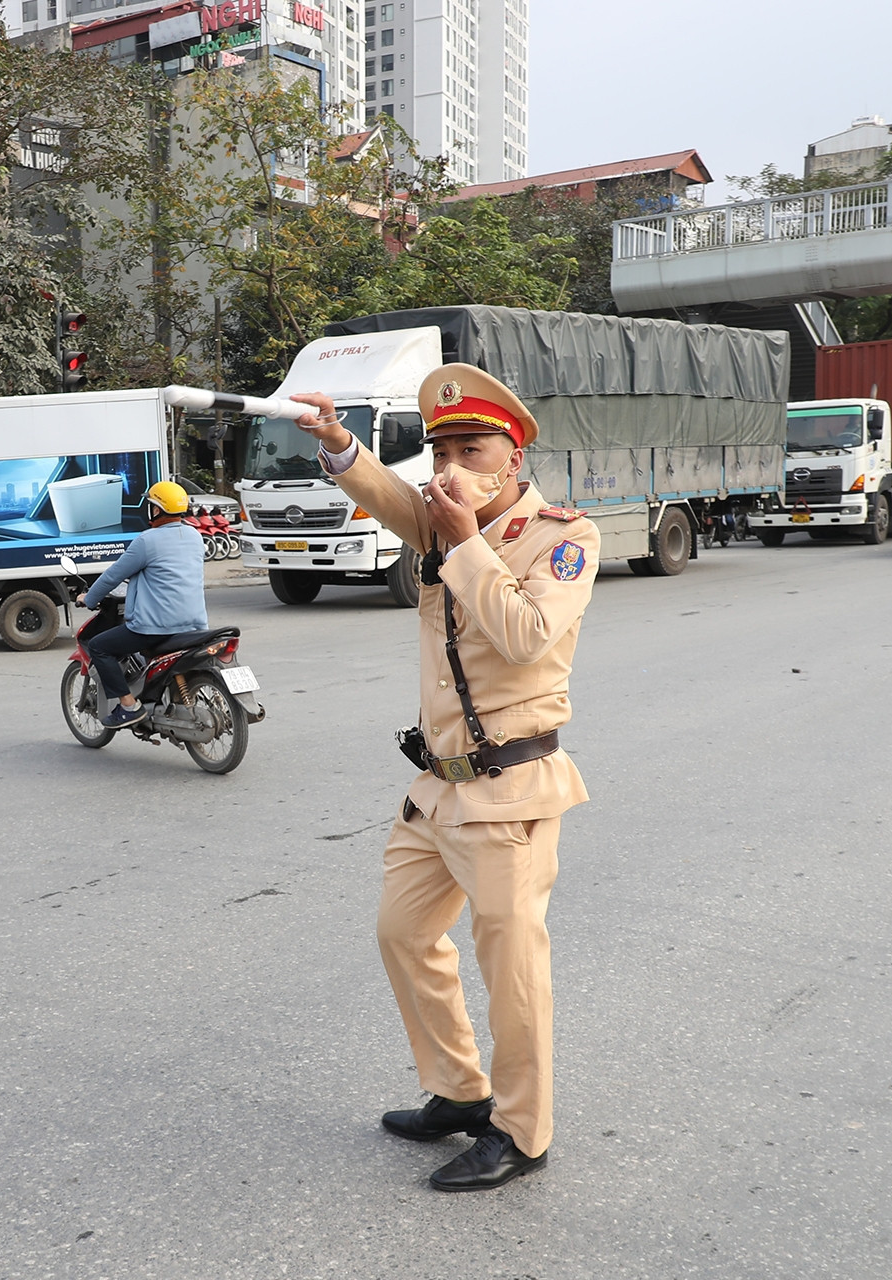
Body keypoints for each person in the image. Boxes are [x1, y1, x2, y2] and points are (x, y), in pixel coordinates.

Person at [290, 364, 599, 1193]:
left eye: (472, 448)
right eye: (442, 451)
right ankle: (461, 1092)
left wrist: (465, 542)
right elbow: (388, 496)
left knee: (511, 968)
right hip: (436, 792)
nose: (451, 469)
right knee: (403, 934)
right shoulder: (437, 523)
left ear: (514, 456)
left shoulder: (563, 537)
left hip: (510, 792)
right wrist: (337, 442)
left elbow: (528, 636)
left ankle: (523, 1131)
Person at [78, 481, 207, 729]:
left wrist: (90, 598)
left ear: (156, 510)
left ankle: (129, 706)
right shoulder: (194, 535)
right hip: (194, 625)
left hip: (155, 628)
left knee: (99, 647)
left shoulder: (147, 541)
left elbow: (113, 576)